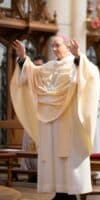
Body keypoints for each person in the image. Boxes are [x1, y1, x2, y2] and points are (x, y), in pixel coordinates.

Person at [10, 35, 100, 200]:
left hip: (69, 120)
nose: (54, 49)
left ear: (67, 46)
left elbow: (91, 77)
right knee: (53, 155)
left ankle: (71, 193)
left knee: (68, 155)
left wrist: (79, 56)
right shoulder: (49, 66)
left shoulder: (77, 63)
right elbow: (31, 74)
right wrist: (23, 57)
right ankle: (59, 192)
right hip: (51, 122)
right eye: (52, 46)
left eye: (57, 45)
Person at [20, 55, 46, 183]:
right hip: (31, 120)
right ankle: (30, 173)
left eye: (40, 66)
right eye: (35, 66)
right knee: (29, 145)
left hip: (44, 121)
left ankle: (42, 173)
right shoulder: (29, 81)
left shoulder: (48, 80)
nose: (37, 69)